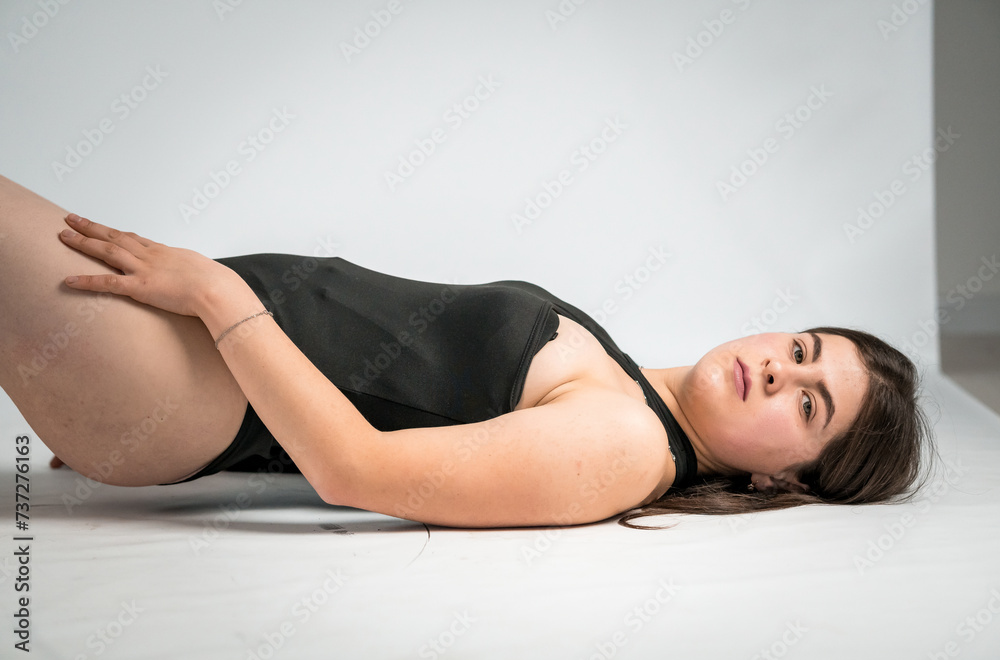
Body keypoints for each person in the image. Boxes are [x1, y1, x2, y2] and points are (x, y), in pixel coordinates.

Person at [0, 175, 934, 529]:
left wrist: (218, 298)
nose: (778, 368)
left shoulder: (625, 444)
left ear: (783, 480)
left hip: (184, 374)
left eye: (806, 403)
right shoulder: (633, 385)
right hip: (174, 356)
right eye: (801, 348)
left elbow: (357, 470)